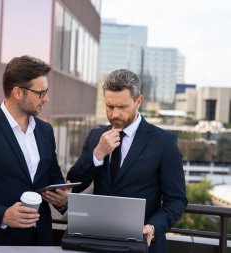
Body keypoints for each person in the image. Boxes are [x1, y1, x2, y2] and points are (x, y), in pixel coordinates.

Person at [66, 69, 187, 253]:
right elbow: (75, 184)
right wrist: (98, 153)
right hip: (97, 243)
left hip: (142, 245)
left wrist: (153, 227)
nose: (114, 114)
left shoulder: (164, 143)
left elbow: (177, 200)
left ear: (138, 101)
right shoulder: (96, 136)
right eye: (109, 106)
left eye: (122, 107)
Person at [0, 55, 69, 246]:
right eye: (41, 93)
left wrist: (62, 199)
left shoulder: (45, 130)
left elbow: (54, 178)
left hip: (41, 240)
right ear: (18, 92)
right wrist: (3, 215)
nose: (46, 98)